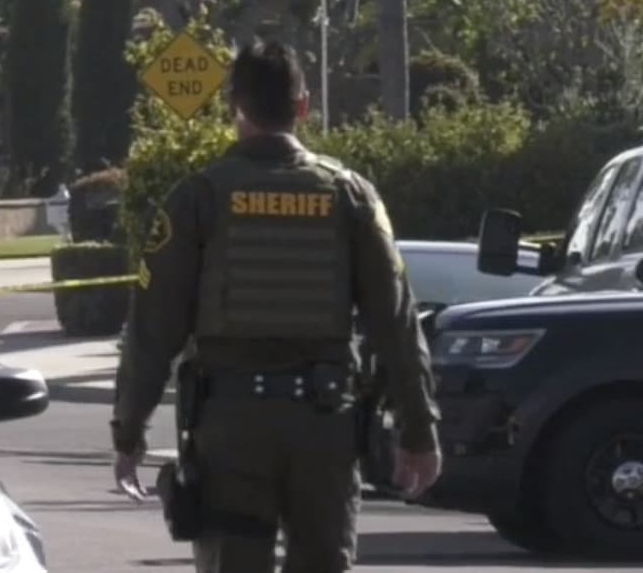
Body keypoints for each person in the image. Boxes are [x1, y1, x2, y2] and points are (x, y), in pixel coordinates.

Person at [110, 39, 441, 572]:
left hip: (230, 430)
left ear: (234, 107)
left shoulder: (198, 198)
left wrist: (129, 433)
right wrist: (418, 431)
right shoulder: (351, 196)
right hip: (324, 427)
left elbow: (153, 329)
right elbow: (396, 324)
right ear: (303, 106)